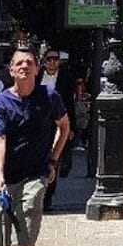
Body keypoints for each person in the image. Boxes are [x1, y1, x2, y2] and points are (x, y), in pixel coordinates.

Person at [0, 47, 72, 246]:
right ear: (12, 70)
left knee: (23, 229)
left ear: (37, 69)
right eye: (19, 63)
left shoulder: (49, 96)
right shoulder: (1, 102)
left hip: (35, 174)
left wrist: (53, 159)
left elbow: (64, 127)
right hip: (6, 176)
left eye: (30, 63)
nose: (25, 66)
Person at [37, 51, 75, 213]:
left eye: (55, 59)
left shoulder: (65, 78)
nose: (52, 62)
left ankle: (47, 198)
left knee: (53, 161)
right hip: (38, 124)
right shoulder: (37, 76)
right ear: (44, 61)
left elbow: (70, 102)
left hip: (58, 123)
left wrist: (70, 127)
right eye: (49, 59)